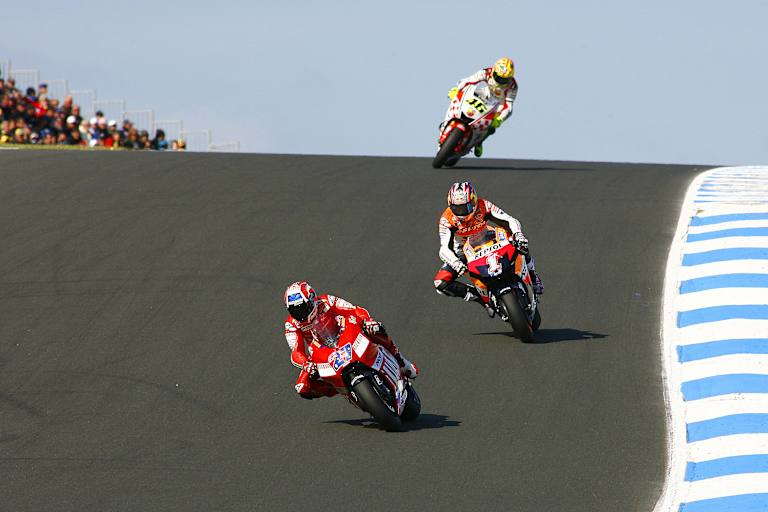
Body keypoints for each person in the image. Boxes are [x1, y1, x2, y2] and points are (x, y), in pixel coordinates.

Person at [283, 281, 418, 400]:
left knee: (373, 329)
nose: (299, 313)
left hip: (342, 333)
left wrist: (367, 321)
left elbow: (354, 310)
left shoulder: (326, 301)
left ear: (312, 300)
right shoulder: (291, 324)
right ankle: (339, 388)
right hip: (321, 352)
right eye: (294, 310)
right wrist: (306, 364)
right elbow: (296, 352)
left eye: (301, 308)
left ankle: (400, 359)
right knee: (302, 387)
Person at [433, 181, 544, 317]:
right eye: (457, 208)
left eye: (466, 207)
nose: (461, 213)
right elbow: (444, 248)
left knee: (520, 241)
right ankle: (481, 299)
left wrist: (518, 235)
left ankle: (533, 274)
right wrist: (456, 263)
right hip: (464, 253)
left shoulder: (483, 205)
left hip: (490, 240)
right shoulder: (446, 219)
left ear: (473, 201)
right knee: (440, 283)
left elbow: (509, 220)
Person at [443, 57, 518, 157]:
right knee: (460, 97)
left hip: (497, 104)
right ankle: (450, 119)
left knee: (491, 127)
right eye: (498, 77)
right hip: (483, 93)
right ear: (494, 70)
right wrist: (457, 89)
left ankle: (479, 142)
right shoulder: (486, 72)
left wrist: (499, 119)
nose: (501, 81)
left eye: (505, 79)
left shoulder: (513, 86)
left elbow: (508, 106)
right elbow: (468, 81)